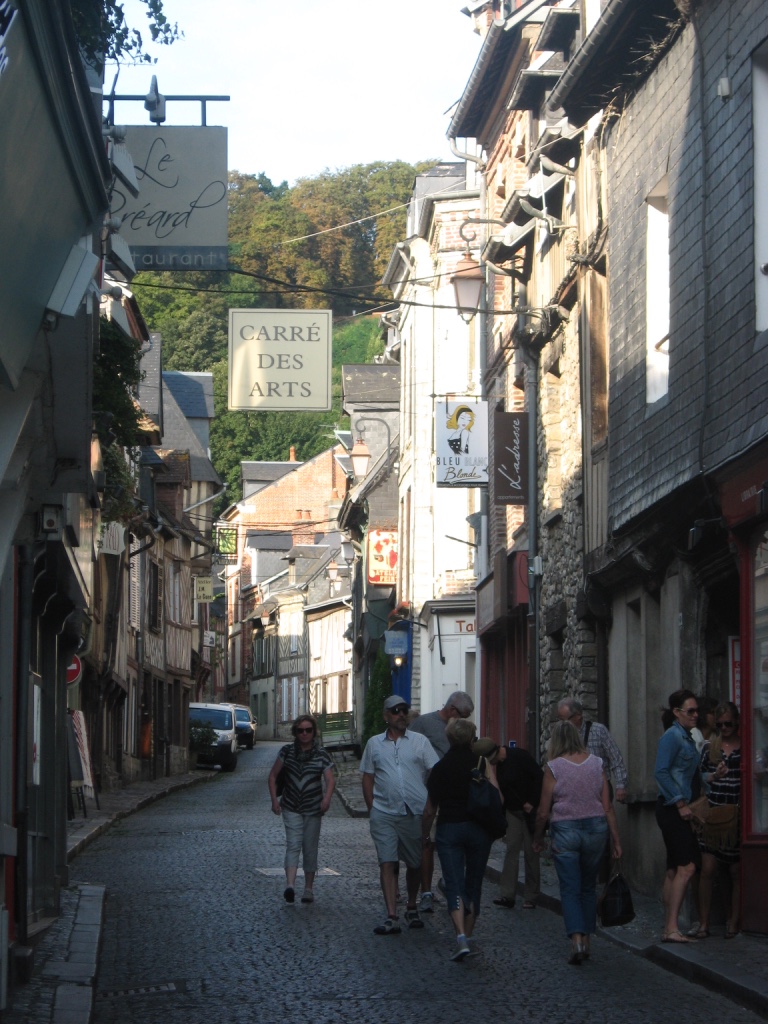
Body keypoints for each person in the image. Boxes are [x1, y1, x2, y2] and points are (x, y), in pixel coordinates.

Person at [533, 720, 622, 965]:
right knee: (588, 886)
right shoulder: (597, 764)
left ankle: (576, 939)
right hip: (595, 829)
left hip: (565, 830)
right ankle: (588, 939)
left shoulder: (553, 768)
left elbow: (543, 811)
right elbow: (607, 806)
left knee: (570, 888)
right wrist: (616, 840)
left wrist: (538, 837)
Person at [360, 695, 438, 935]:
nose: (401, 714)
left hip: (414, 811)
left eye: (404, 710)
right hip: (384, 812)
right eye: (396, 711)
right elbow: (368, 776)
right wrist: (372, 808)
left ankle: (411, 905)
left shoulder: (420, 741)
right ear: (386, 716)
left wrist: (430, 804)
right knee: (387, 861)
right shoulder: (374, 744)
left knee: (415, 863)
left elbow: (435, 772)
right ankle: (392, 915)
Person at [422, 720, 498, 960]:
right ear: (472, 738)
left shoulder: (440, 767)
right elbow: (497, 795)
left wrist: (425, 833)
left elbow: (430, 808)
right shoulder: (481, 763)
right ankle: (470, 935)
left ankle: (461, 937)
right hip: (479, 828)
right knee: (474, 882)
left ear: (450, 739)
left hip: (450, 828)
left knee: (454, 882)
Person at [409, 690, 474, 912]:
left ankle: (448, 884)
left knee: (453, 843)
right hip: (428, 792)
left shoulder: (462, 729)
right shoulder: (424, 723)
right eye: (463, 715)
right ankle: (426, 892)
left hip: (453, 796)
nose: (465, 720)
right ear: (453, 710)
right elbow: (409, 750)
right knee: (426, 842)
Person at [654, 689, 706, 944]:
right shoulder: (672, 736)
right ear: (677, 712)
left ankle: (669, 927)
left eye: (697, 711)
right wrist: (680, 803)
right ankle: (672, 927)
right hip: (673, 810)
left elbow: (688, 775)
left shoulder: (686, 737)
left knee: (675, 869)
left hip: (677, 808)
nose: (696, 715)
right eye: (690, 711)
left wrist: (713, 776)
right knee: (688, 867)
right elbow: (661, 772)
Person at [267, 714, 335, 904]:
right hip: (291, 806)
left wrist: (327, 799)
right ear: (295, 732)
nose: (304, 734)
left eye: (308, 730)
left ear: (313, 732)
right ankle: (290, 885)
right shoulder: (287, 752)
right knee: (293, 844)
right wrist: (274, 800)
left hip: (313, 808)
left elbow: (330, 779)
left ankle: (308, 889)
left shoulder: (321, 754)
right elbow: (273, 776)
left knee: (310, 847)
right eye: (300, 731)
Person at [475, 740, 543, 911]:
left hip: (529, 811)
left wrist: (532, 802)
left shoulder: (520, 756)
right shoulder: (500, 765)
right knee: (511, 850)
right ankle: (507, 894)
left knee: (531, 853)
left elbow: (539, 777)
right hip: (513, 812)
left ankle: (531, 896)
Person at [693, 701, 741, 939]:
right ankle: (704, 923)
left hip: (736, 816)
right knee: (708, 869)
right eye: (720, 725)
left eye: (728, 724)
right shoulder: (710, 748)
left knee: (734, 870)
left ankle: (733, 920)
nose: (724, 728)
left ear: (736, 722)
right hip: (713, 814)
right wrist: (714, 775)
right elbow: (700, 777)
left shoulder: (745, 746)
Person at [557, 697, 628, 802]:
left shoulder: (598, 731)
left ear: (578, 716)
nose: (563, 724)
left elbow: (615, 758)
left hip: (600, 788)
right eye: (560, 720)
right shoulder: (561, 736)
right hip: (573, 791)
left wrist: (620, 786)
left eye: (565, 720)